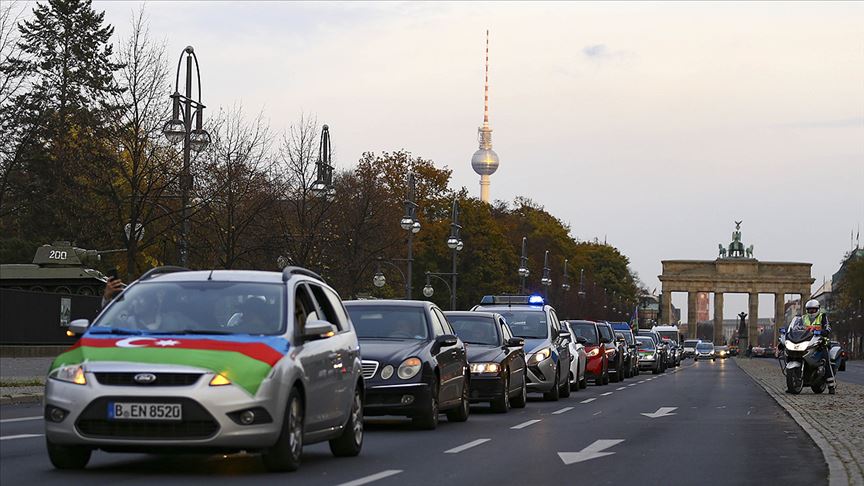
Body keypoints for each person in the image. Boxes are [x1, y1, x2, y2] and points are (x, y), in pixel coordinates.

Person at [803, 299, 835, 394]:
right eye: (809, 310)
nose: (811, 312)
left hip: (821, 344)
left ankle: (831, 386)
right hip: (807, 343)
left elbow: (828, 328)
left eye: (813, 310)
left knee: (826, 361)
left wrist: (822, 332)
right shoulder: (804, 318)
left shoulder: (822, 316)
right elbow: (797, 327)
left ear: (818, 309)